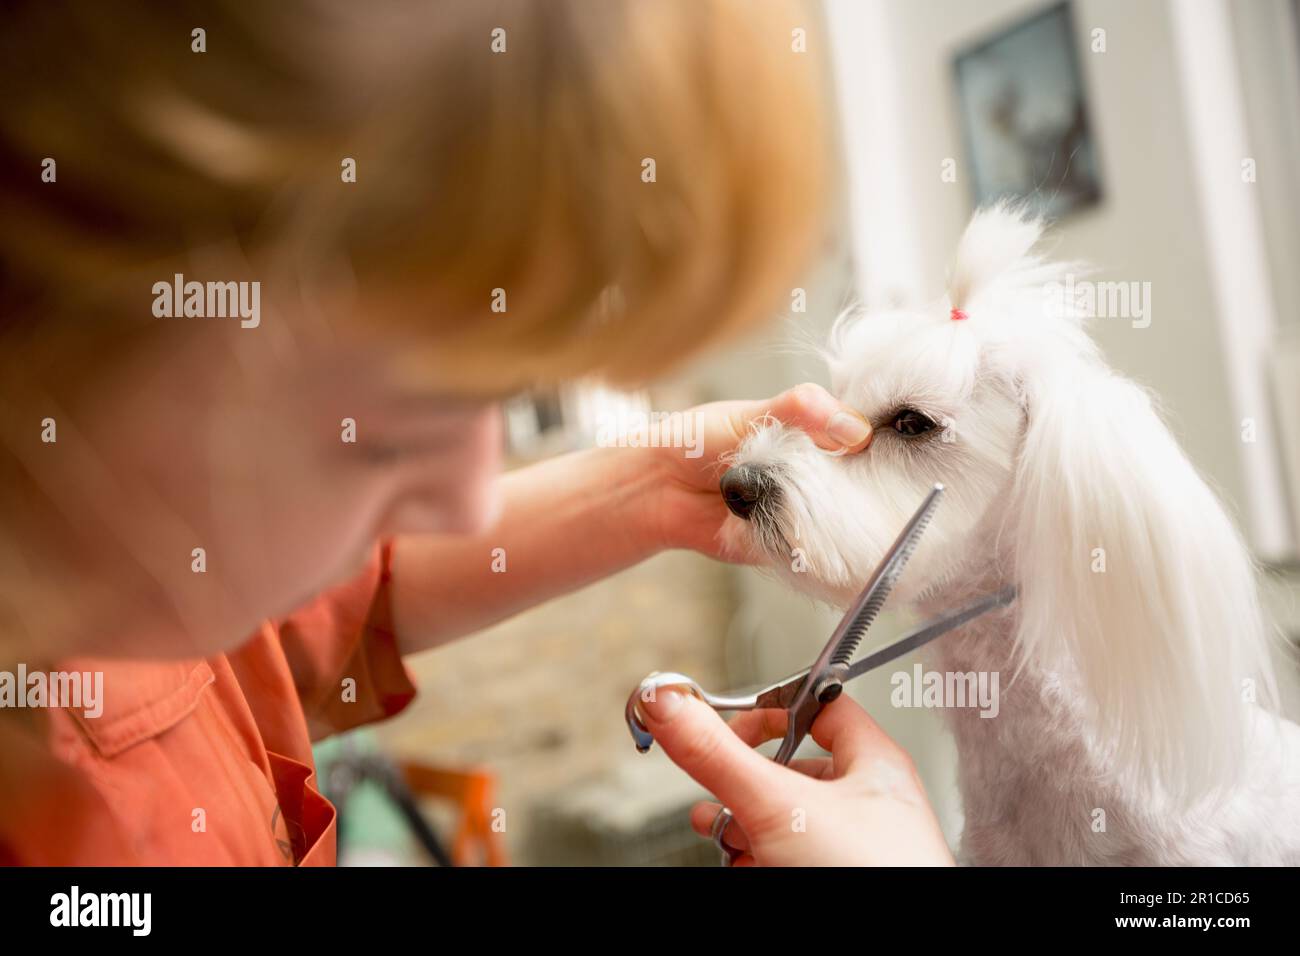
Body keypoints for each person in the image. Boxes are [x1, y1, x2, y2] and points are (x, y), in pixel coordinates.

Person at [0, 0, 949, 865]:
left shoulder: (147, 566)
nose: (468, 500)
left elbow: (325, 605)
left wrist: (645, 483)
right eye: (386, 436)